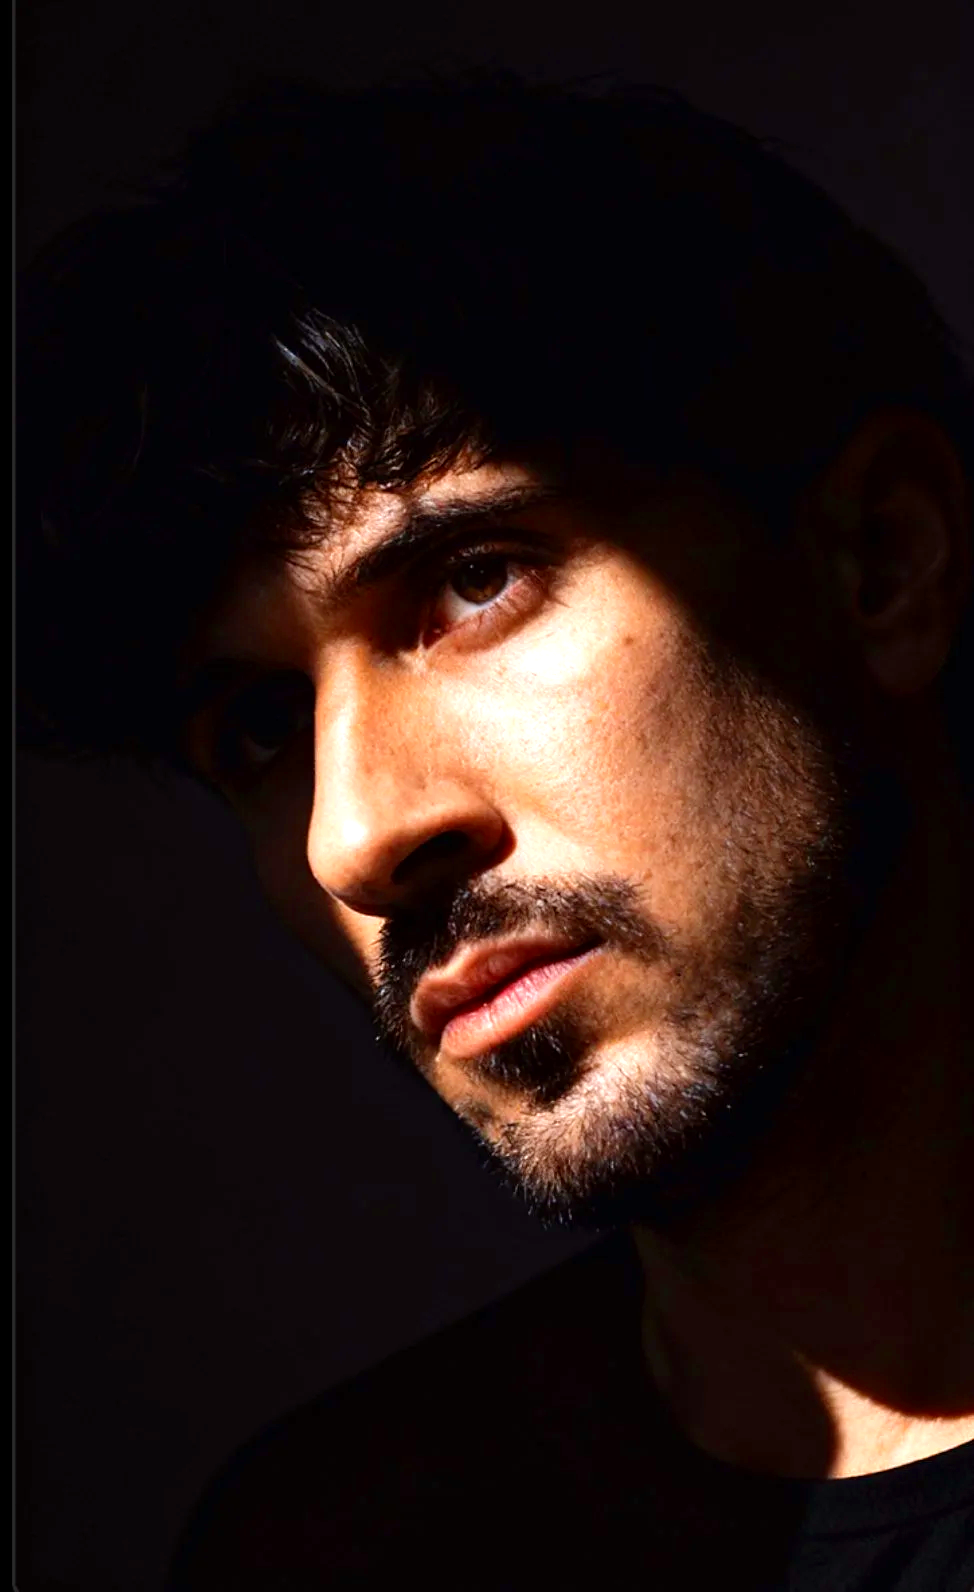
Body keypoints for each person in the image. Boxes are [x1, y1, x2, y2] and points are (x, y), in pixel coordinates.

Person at [17, 71, 974, 1589]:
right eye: (258, 730)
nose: (352, 837)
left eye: (473, 581)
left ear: (881, 561)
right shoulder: (333, 1556)